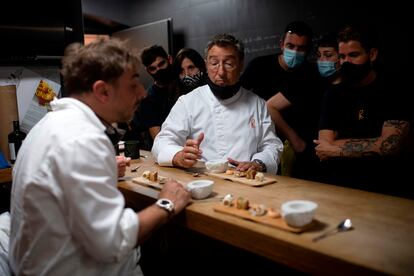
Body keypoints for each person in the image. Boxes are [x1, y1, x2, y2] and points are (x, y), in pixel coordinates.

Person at [9, 38, 191, 275]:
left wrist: (101, 171)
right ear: (102, 91)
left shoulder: (49, 124)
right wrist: (167, 203)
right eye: (133, 84)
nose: (142, 94)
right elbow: (113, 242)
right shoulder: (84, 139)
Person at [152, 33, 283, 174]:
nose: (220, 72)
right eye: (214, 63)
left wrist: (259, 163)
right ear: (206, 65)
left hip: (246, 182)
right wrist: (179, 156)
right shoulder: (188, 102)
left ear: (240, 64)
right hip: (202, 183)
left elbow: (271, 145)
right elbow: (162, 142)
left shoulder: (258, 104)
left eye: (229, 64)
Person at [314, 24, 411, 196]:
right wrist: (375, 143)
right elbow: (323, 148)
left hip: (387, 188)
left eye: (354, 55)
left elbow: (390, 147)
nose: (346, 62)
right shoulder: (334, 94)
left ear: (372, 54)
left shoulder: (394, 89)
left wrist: (337, 149)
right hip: (342, 188)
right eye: (342, 56)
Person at [258, 21, 322, 180]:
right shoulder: (259, 66)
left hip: (301, 148)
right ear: (281, 44)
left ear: (308, 50)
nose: (295, 52)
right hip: (265, 141)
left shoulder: (310, 73)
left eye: (301, 48)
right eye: (290, 46)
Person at [131, 45, 178, 150]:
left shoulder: (183, 84)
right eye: (153, 68)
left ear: (169, 59)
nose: (159, 70)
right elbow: (158, 138)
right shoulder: (149, 98)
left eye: (161, 64)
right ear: (147, 70)